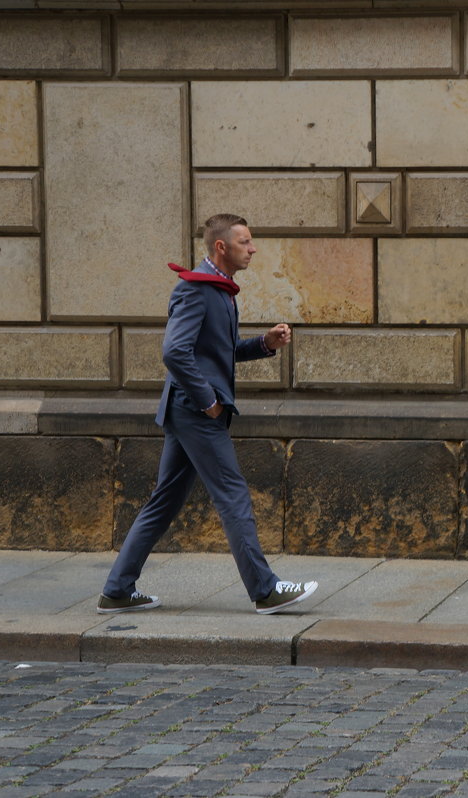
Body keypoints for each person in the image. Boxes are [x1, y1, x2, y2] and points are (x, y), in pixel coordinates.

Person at [98, 214, 318, 615]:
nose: (252, 249)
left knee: (163, 503)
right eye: (245, 242)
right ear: (222, 246)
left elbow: (218, 350)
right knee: (233, 496)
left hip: (187, 411)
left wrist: (264, 344)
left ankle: (116, 590)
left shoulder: (217, 290)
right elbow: (173, 352)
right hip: (196, 412)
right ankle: (266, 590)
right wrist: (208, 401)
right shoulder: (196, 290)